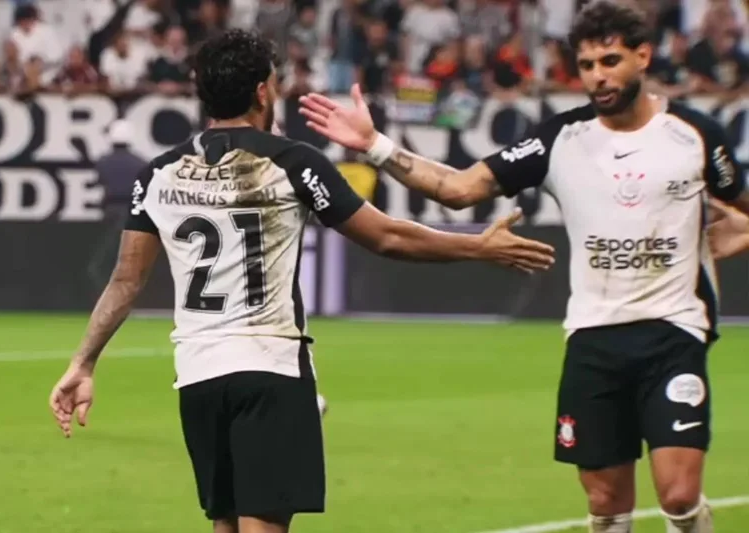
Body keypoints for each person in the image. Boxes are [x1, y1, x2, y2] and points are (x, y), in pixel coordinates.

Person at [48, 29, 555, 533]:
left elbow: (125, 281)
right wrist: (476, 246)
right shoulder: (291, 161)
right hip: (269, 368)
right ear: (261, 91)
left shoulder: (158, 174)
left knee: (226, 525)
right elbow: (387, 237)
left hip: (198, 377)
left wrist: (83, 362)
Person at [298, 2, 749, 532]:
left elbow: (741, 206)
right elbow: (458, 188)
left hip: (674, 331)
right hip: (594, 336)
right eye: (587, 65)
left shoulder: (694, 135)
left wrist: (726, 237)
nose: (598, 77)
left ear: (643, 57)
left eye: (610, 61)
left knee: (678, 493)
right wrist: (374, 145)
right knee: (606, 501)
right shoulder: (562, 139)